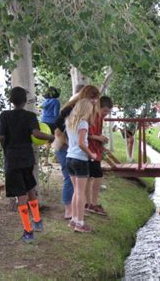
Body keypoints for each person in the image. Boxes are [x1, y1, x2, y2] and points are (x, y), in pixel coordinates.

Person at [0, 87, 54, 243]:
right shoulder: (30, 116)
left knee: (20, 194)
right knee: (30, 188)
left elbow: (1, 137)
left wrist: (6, 149)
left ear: (11, 100)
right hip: (27, 158)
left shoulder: (4, 116)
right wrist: (50, 136)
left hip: (12, 158)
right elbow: (36, 134)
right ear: (25, 101)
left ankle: (28, 231)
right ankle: (37, 221)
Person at [54, 85, 100, 220]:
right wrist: (90, 153)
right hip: (68, 149)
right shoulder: (73, 111)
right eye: (93, 99)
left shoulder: (75, 116)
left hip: (70, 151)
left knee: (77, 189)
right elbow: (57, 130)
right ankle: (73, 215)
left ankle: (75, 216)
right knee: (74, 186)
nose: (95, 102)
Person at [66, 99, 97, 233]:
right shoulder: (83, 123)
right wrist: (91, 154)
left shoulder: (69, 121)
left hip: (69, 157)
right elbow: (81, 143)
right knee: (80, 192)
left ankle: (73, 220)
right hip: (80, 159)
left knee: (75, 191)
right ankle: (80, 223)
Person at [86, 96, 113, 216]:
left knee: (92, 176)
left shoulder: (100, 117)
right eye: (105, 111)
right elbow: (85, 134)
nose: (106, 114)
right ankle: (91, 204)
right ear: (99, 107)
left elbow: (95, 134)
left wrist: (101, 142)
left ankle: (91, 203)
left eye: (108, 112)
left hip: (95, 150)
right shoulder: (91, 116)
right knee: (95, 176)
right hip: (89, 151)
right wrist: (99, 138)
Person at [40, 86, 60, 165]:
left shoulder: (44, 102)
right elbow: (56, 114)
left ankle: (45, 160)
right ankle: (56, 158)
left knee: (47, 142)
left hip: (43, 123)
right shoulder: (56, 102)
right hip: (52, 123)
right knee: (56, 139)